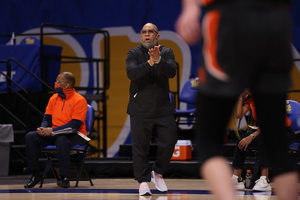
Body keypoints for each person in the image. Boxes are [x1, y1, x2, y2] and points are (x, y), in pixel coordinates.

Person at [175, 0, 299, 200]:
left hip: (230, 18)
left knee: (209, 141)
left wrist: (190, 8)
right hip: (274, 20)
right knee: (276, 144)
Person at [126, 22, 177, 196]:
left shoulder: (167, 52)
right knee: (140, 148)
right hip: (140, 109)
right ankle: (142, 182)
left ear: (157, 36)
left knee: (170, 142)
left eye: (151, 31)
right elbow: (131, 73)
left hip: (162, 109)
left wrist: (159, 60)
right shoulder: (133, 53)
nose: (147, 34)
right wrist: (150, 62)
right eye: (144, 32)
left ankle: (158, 172)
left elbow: (171, 72)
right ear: (141, 36)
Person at [24, 72, 88, 189]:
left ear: (67, 85)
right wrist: (43, 128)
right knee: (31, 136)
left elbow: (74, 126)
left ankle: (64, 178)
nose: (55, 83)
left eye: (59, 81)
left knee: (61, 139)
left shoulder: (79, 100)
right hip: (55, 132)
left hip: (75, 135)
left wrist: (52, 130)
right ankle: (35, 173)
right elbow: (47, 118)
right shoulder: (54, 98)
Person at [232, 90, 295, 191]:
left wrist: (252, 136)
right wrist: (240, 96)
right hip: (266, 131)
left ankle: (264, 179)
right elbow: (238, 114)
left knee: (263, 138)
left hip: (283, 131)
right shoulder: (251, 100)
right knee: (242, 138)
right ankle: (237, 177)